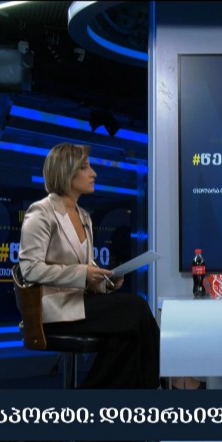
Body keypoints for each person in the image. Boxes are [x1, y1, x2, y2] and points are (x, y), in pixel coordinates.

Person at [18, 142, 160, 389]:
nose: (93, 173)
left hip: (78, 303)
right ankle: (162, 383)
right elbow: (29, 269)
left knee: (127, 338)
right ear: (66, 172)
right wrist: (83, 274)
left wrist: (105, 282)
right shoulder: (40, 213)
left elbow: (84, 271)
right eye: (85, 167)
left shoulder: (84, 216)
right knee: (136, 307)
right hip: (51, 309)